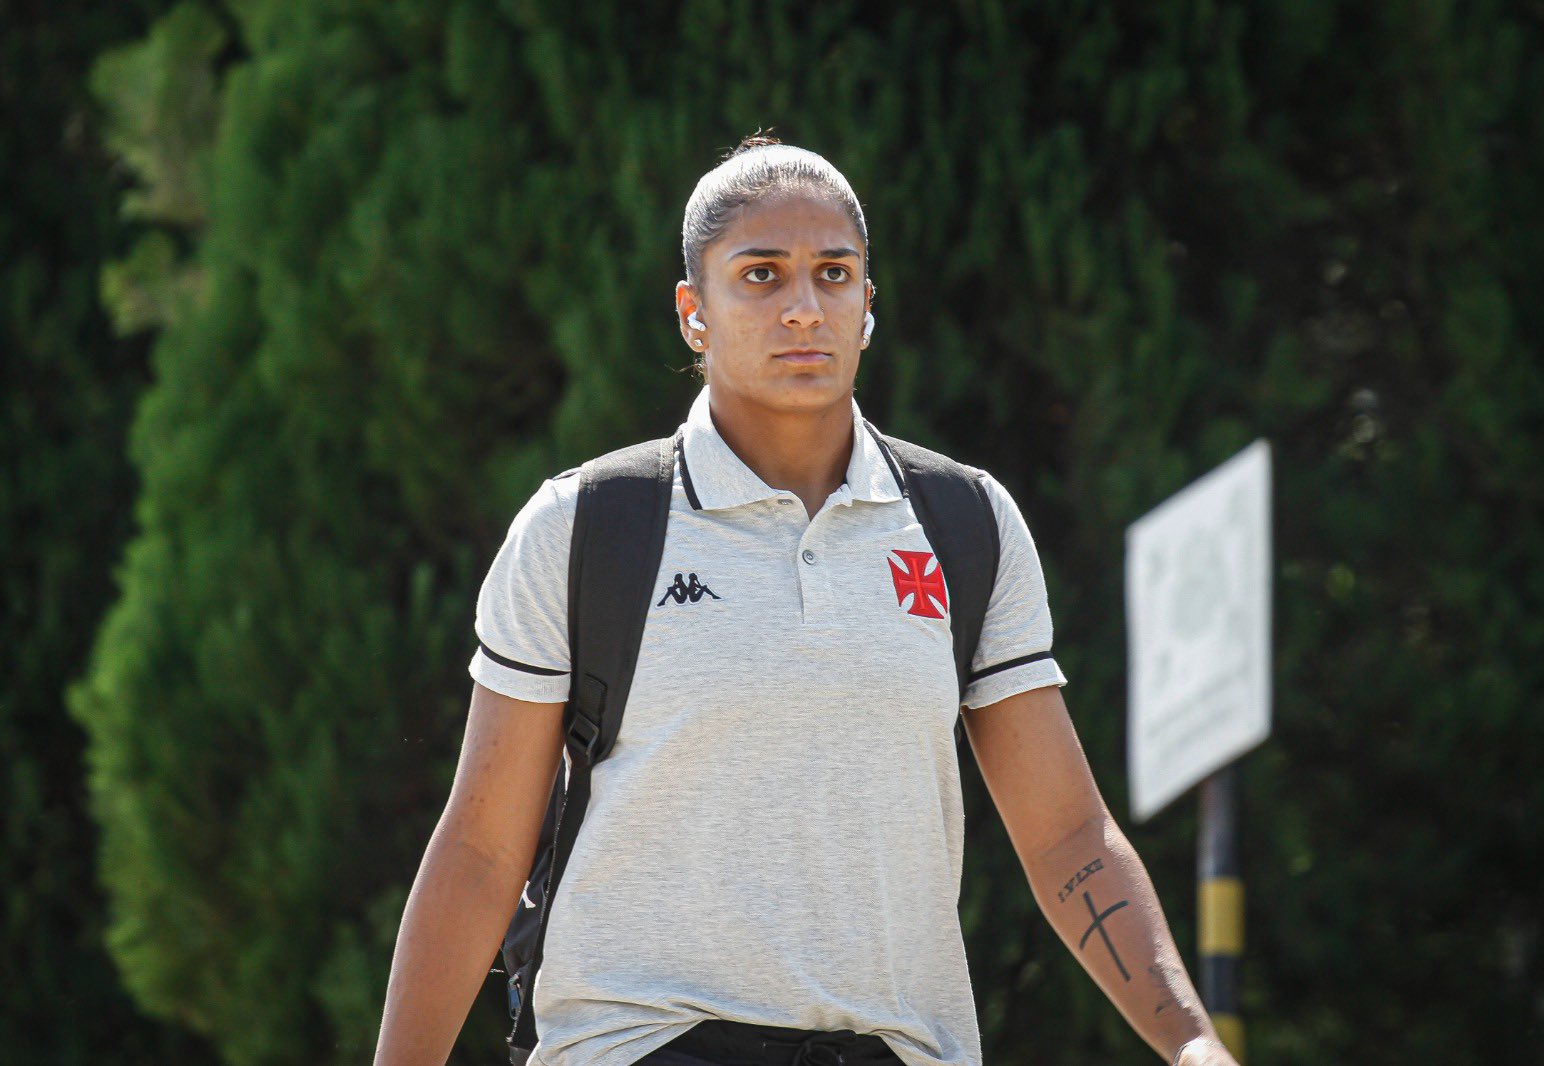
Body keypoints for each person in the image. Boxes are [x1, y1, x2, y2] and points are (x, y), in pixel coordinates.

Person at [373, 135, 1240, 1066]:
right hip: (638, 1045)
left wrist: (1193, 1045)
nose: (803, 307)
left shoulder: (968, 523)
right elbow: (480, 851)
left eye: (834, 274)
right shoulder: (583, 525)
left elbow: (1068, 836)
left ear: (868, 306)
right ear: (693, 313)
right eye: (761, 275)